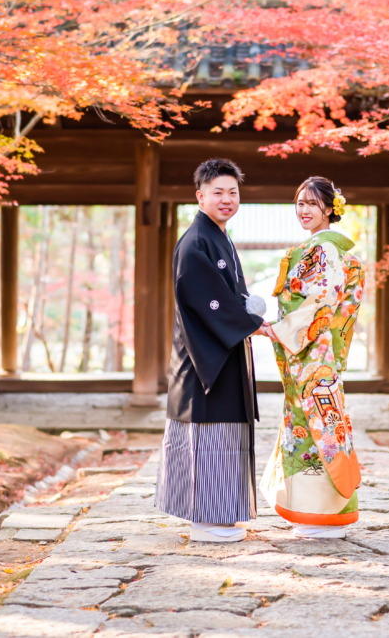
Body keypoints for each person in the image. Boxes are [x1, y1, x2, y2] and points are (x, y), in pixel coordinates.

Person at [154, 158, 272, 543]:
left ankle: (218, 515)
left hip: (222, 354)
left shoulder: (217, 237)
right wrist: (250, 323)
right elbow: (207, 300)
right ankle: (204, 519)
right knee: (208, 439)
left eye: (233, 192)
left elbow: (230, 298)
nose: (226, 199)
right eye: (218, 192)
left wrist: (250, 320)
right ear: (200, 195)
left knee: (222, 439)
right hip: (204, 362)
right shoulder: (195, 242)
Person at [260, 176, 365, 539]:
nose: (303, 210)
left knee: (316, 429)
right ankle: (317, 513)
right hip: (317, 354)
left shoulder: (323, 250)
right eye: (299, 202)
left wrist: (278, 329)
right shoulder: (329, 250)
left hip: (310, 354)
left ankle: (318, 516)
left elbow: (319, 304)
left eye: (311, 203)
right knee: (321, 426)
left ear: (329, 209)